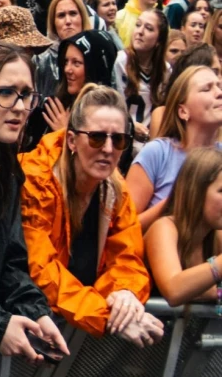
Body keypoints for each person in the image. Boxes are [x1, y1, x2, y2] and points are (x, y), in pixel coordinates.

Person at [20, 85, 163, 344]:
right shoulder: (34, 178)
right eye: (97, 137)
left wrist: (125, 293)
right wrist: (104, 316)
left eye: (119, 140)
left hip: (72, 335)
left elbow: (128, 258)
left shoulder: (115, 189)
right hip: (23, 331)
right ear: (72, 140)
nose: (108, 148)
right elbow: (40, 270)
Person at [0, 43, 68, 364]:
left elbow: (10, 259)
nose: (20, 107)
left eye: (27, 95)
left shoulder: (5, 169)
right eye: (7, 93)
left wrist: (37, 312)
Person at [126, 65, 222, 230]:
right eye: (206, 89)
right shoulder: (157, 153)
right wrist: (176, 201)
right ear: (183, 111)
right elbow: (124, 227)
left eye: (219, 86)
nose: (219, 93)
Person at [143, 147, 222, 305]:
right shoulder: (164, 228)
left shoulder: (216, 236)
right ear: (197, 192)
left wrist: (216, 291)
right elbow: (174, 290)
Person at [115, 8, 168, 130]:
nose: (140, 31)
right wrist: (131, 126)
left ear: (159, 41)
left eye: (149, 28)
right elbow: (114, 106)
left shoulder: (166, 70)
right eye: (138, 25)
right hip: (122, 132)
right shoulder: (120, 60)